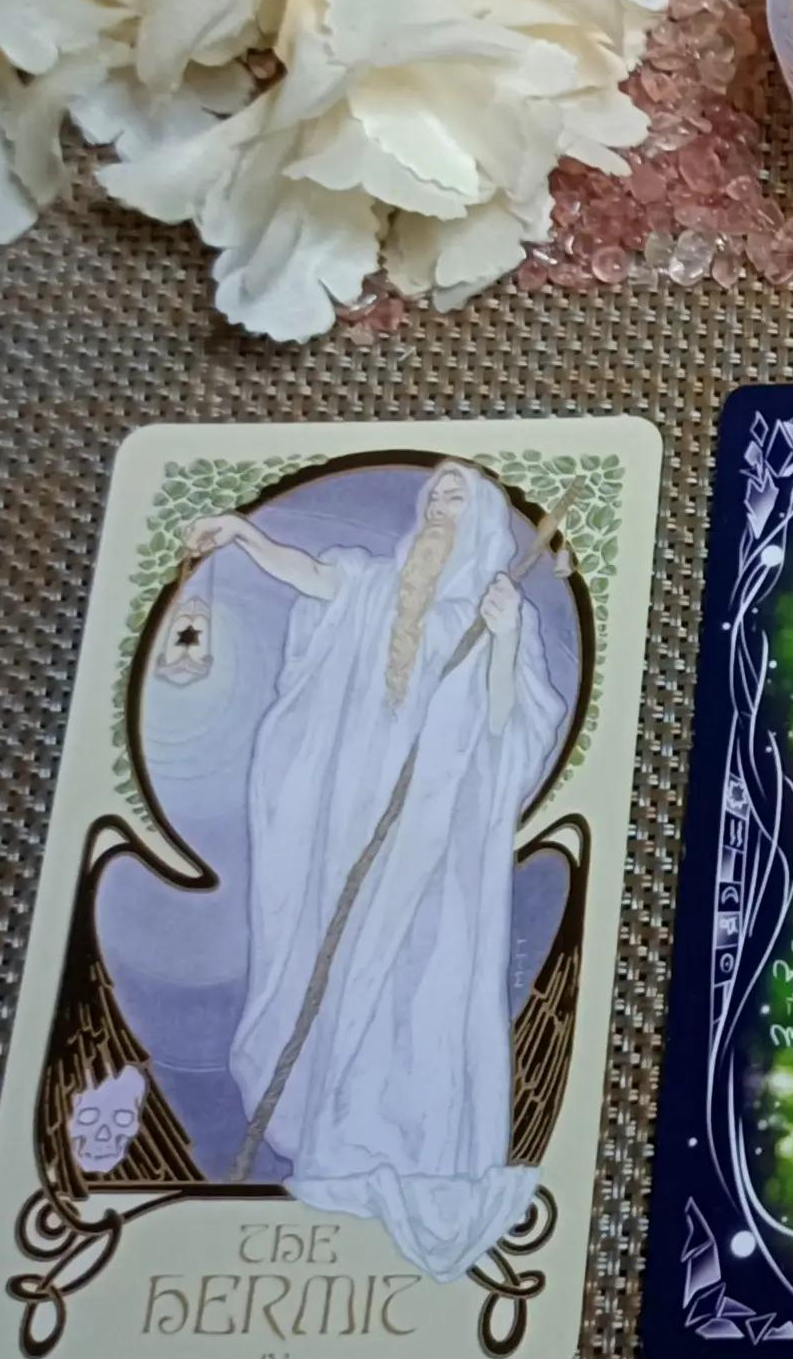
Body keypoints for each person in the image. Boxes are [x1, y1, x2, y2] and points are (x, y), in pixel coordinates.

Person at [177, 461, 567, 1280]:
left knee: (422, 991)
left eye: (457, 499)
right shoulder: (372, 589)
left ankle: (412, 1149)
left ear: (482, 520)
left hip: (440, 846)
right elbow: (310, 576)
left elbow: (512, 733)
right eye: (435, 496)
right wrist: (246, 536)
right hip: (351, 833)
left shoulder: (498, 608)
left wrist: (501, 642)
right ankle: (337, 1142)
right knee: (340, 975)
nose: (439, 508)